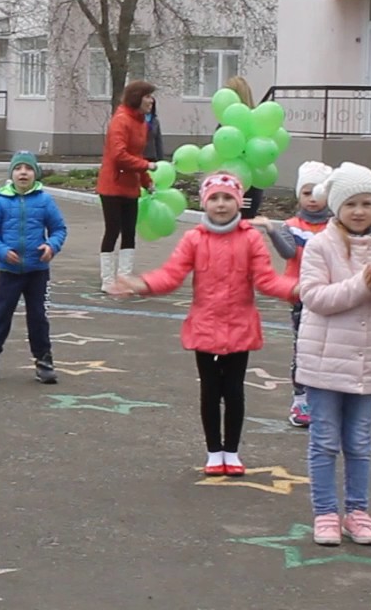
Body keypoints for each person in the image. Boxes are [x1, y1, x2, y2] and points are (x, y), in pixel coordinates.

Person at [112, 173, 297, 477]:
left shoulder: (250, 237)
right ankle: (214, 452)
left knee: (235, 392)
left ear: (238, 202)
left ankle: (232, 452)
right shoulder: (194, 238)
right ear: (204, 203)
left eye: (227, 198)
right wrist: (141, 284)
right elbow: (172, 275)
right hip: (205, 328)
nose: (221, 204)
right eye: (214, 198)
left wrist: (295, 289)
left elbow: (266, 280)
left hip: (240, 327)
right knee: (210, 392)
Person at [296, 163, 371, 547]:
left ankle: (358, 512)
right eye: (351, 204)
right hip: (324, 362)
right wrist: (360, 286)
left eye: (367, 203)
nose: (359, 211)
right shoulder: (320, 245)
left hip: (367, 362)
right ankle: (326, 512)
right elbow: (314, 297)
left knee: (360, 442)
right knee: (325, 440)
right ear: (337, 207)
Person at [0, 151, 68, 385]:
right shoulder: (2, 201)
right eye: (18, 168)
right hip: (8, 271)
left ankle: (44, 360)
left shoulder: (44, 201)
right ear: (11, 174)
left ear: (36, 173)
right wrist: (1, 251)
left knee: (38, 317)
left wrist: (51, 246)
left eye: (29, 168)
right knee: (0, 315)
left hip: (37, 271)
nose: (23, 172)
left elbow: (59, 229)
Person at [250, 161, 333, 428]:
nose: (312, 199)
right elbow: (287, 253)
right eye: (306, 192)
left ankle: (327, 401)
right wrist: (273, 231)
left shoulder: (336, 225)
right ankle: (301, 400)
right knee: (304, 349)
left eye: (317, 193)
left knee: (329, 350)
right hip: (301, 297)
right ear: (298, 194)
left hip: (331, 297)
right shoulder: (292, 226)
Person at [97, 80, 158, 293]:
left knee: (130, 232)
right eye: (148, 96)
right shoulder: (120, 120)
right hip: (112, 185)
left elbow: (136, 155)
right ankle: (107, 280)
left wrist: (146, 181)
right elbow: (119, 155)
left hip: (130, 186)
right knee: (113, 230)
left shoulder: (141, 122)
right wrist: (147, 165)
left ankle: (124, 277)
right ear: (137, 97)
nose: (151, 100)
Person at [224, 76, 266, 219]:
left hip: (246, 185)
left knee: (243, 223)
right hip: (238, 182)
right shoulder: (256, 121)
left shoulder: (250, 122)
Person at [143, 95, 165, 163]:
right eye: (148, 104)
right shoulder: (137, 119)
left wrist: (161, 159)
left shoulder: (155, 121)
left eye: (151, 104)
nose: (150, 106)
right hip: (140, 156)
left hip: (152, 156)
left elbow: (158, 141)